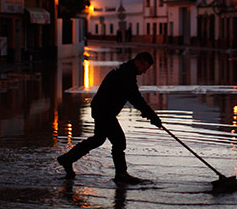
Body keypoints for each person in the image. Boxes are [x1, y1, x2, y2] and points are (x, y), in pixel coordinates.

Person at [57, 51, 162, 183]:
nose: (144, 72)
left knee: (98, 139)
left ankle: (67, 159)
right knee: (119, 141)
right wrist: (153, 117)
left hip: (102, 109)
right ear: (138, 62)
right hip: (104, 110)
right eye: (144, 68)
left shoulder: (126, 70)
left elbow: (135, 98)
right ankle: (121, 175)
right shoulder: (126, 75)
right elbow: (136, 99)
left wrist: (151, 116)